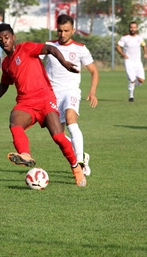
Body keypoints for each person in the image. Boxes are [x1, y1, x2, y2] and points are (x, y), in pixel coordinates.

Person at [0, 23, 87, 187]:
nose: (4, 41)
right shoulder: (6, 64)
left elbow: (50, 49)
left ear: (13, 37)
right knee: (15, 121)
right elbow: (4, 85)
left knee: (59, 137)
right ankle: (25, 154)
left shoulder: (26, 48)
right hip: (26, 103)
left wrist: (64, 62)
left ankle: (76, 168)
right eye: (0, 39)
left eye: (6, 37)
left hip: (45, 99)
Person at [43, 14, 99, 176]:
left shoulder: (80, 48)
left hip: (71, 91)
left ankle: (80, 163)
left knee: (70, 120)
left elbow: (94, 71)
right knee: (58, 136)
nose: (63, 34)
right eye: (60, 31)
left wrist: (92, 91)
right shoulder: (48, 46)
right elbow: (33, 61)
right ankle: (82, 154)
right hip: (52, 94)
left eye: (66, 30)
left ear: (73, 30)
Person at [116, 21, 147, 102]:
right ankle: (131, 97)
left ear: (136, 28)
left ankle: (132, 85)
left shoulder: (139, 37)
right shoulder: (125, 38)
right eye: (131, 27)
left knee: (141, 80)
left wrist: (145, 53)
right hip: (128, 62)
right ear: (129, 28)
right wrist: (123, 55)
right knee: (132, 79)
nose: (133, 29)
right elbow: (118, 47)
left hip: (138, 62)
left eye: (134, 27)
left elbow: (144, 45)